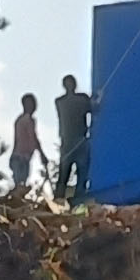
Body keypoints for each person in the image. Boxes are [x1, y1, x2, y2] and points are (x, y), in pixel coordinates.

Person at [51, 74, 97, 205]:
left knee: (63, 175)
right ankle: (77, 202)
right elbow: (93, 108)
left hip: (66, 142)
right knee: (81, 174)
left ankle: (58, 200)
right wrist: (97, 98)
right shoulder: (81, 99)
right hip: (80, 140)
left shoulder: (60, 102)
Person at [9, 92, 43, 195]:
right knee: (21, 184)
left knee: (21, 183)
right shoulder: (28, 120)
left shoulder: (19, 120)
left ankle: (17, 200)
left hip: (21, 157)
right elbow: (33, 138)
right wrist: (42, 154)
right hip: (21, 157)